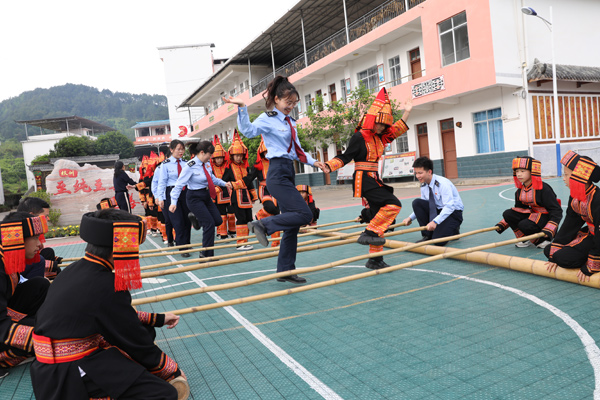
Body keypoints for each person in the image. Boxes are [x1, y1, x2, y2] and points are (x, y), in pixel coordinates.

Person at [30, 209, 187, 400]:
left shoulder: (74, 270)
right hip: (68, 373)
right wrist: (172, 371)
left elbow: (114, 316)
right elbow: (134, 339)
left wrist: (158, 319)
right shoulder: (106, 283)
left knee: (146, 331)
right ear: (121, 248)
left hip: (47, 369)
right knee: (164, 394)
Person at [224, 75, 327, 284]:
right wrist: (242, 107)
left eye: (294, 103)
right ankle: (263, 224)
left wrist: (315, 162)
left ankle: (285, 271)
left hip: (289, 170)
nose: (291, 106)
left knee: (293, 225)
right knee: (305, 214)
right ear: (277, 100)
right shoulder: (268, 118)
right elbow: (247, 130)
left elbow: (298, 149)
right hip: (276, 172)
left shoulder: (291, 123)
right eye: (288, 102)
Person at [324, 88, 411, 270]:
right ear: (371, 121)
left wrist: (407, 112)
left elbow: (395, 131)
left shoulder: (380, 138)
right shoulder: (359, 136)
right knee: (394, 204)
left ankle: (375, 259)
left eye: (383, 125)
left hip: (374, 178)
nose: (380, 127)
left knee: (380, 216)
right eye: (378, 124)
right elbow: (346, 156)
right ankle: (368, 231)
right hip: (364, 179)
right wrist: (329, 166)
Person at [0, 212, 51, 377]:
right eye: (35, 238)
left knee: (40, 285)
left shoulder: (6, 256)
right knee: (49, 332)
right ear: (18, 238)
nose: (40, 244)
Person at [170, 141, 232, 260]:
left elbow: (212, 178)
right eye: (210, 154)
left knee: (218, 221)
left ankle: (196, 218)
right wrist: (173, 202)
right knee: (209, 224)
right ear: (202, 152)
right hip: (194, 197)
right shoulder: (190, 166)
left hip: (205, 195)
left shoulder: (207, 164)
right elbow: (178, 185)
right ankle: (206, 255)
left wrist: (225, 183)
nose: (211, 157)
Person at [545, 151, 600, 283]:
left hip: (598, 237)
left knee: (563, 258)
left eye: (566, 175)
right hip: (591, 235)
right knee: (550, 251)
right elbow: (570, 223)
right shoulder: (575, 196)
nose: (563, 178)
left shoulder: (597, 198)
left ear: (579, 177)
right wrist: (556, 248)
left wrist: (592, 264)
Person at [495, 156, 562, 249]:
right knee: (508, 213)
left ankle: (543, 240)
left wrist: (550, 229)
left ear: (532, 172)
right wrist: (502, 224)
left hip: (546, 218)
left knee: (524, 224)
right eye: (517, 171)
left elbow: (556, 211)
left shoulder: (544, 189)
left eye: (523, 171)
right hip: (533, 216)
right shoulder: (519, 191)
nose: (519, 174)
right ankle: (525, 239)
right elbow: (518, 210)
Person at [402, 156, 464, 246]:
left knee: (438, 241)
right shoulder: (424, 185)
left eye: (420, 173)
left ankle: (454, 229)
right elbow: (424, 205)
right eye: (416, 173)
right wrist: (410, 218)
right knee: (417, 203)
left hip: (453, 213)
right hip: (438, 211)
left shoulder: (443, 184)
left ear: (429, 172)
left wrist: (435, 222)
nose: (417, 176)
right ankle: (427, 235)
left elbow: (449, 207)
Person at [222, 131, 258, 251]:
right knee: (241, 218)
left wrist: (253, 195)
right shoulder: (228, 168)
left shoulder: (245, 167)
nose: (239, 157)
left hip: (246, 196)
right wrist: (231, 185)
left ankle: (245, 241)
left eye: (241, 155)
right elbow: (223, 182)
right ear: (231, 155)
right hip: (236, 197)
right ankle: (240, 243)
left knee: (248, 219)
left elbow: (249, 183)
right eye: (236, 155)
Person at [156, 140, 192, 257]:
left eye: (182, 149)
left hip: (184, 193)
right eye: (178, 149)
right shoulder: (165, 164)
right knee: (177, 221)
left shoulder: (186, 163)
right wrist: (160, 198)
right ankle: (182, 247)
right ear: (171, 150)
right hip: (171, 193)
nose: (181, 151)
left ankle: (186, 243)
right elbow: (161, 182)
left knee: (187, 220)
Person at [17, 197, 62, 279]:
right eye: (45, 216)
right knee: (42, 260)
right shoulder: (17, 233)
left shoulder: (28, 230)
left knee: (48, 253)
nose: (48, 219)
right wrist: (50, 264)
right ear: (32, 216)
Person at [255, 137, 281, 246]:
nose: (267, 153)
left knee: (276, 213)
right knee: (270, 208)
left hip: (276, 188)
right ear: (262, 152)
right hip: (264, 189)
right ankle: (259, 215)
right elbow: (250, 177)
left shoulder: (277, 162)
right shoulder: (258, 165)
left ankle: (275, 242)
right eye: (265, 152)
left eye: (268, 151)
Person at [210, 135, 235, 240]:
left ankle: (232, 231)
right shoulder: (211, 169)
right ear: (214, 158)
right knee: (222, 215)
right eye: (217, 158)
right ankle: (222, 233)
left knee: (231, 214)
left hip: (228, 194)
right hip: (217, 195)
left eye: (220, 157)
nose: (219, 160)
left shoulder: (228, 168)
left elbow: (231, 179)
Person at [152, 158, 175, 246]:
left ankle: (179, 239)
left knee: (179, 219)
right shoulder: (159, 169)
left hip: (176, 197)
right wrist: (157, 197)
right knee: (168, 219)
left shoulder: (177, 166)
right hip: (164, 198)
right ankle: (169, 239)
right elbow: (155, 183)